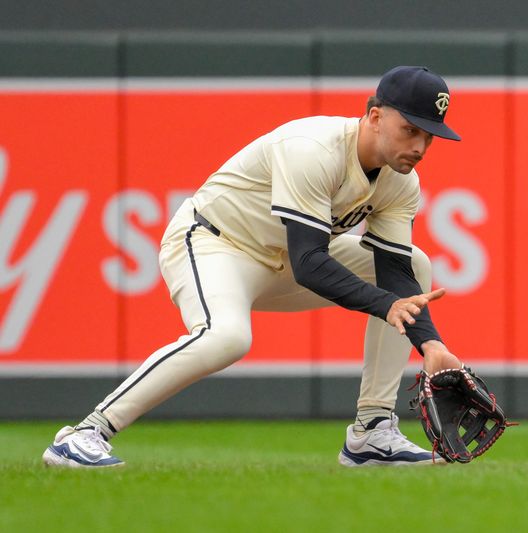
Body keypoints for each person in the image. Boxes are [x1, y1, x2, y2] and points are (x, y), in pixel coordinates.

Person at [42, 65, 464, 468]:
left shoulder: (401, 181)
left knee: (415, 264)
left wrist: (430, 345)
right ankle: (85, 435)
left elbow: (393, 272)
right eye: (410, 130)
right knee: (226, 337)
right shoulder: (313, 148)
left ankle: (371, 432)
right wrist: (386, 305)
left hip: (280, 263)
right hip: (215, 244)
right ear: (375, 116)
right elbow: (310, 263)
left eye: (429, 136)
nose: (419, 147)